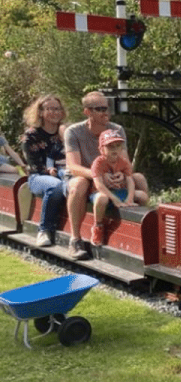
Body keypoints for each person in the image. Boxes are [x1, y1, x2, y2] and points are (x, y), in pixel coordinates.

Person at [63, 91, 149, 260]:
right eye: (100, 108)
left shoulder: (117, 129)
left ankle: (141, 230)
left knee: (139, 178)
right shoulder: (73, 131)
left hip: (111, 177)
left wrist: (121, 175)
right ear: (87, 112)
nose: (106, 112)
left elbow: (126, 163)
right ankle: (75, 239)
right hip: (85, 176)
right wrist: (99, 176)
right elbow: (73, 167)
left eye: (107, 108)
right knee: (79, 183)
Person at [20, 94, 68, 247]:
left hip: (64, 172)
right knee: (56, 186)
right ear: (40, 112)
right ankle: (44, 230)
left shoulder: (65, 133)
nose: (55, 112)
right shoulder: (30, 136)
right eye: (50, 109)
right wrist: (50, 171)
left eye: (57, 109)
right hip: (38, 177)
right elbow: (33, 165)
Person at [89, 129, 150, 246]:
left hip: (119, 192)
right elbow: (99, 185)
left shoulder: (124, 162)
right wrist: (114, 199)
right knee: (102, 198)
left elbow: (130, 181)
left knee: (142, 195)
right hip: (102, 194)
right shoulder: (98, 163)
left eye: (117, 146)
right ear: (102, 149)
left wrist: (130, 199)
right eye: (110, 146)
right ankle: (98, 226)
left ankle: (144, 224)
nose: (115, 149)